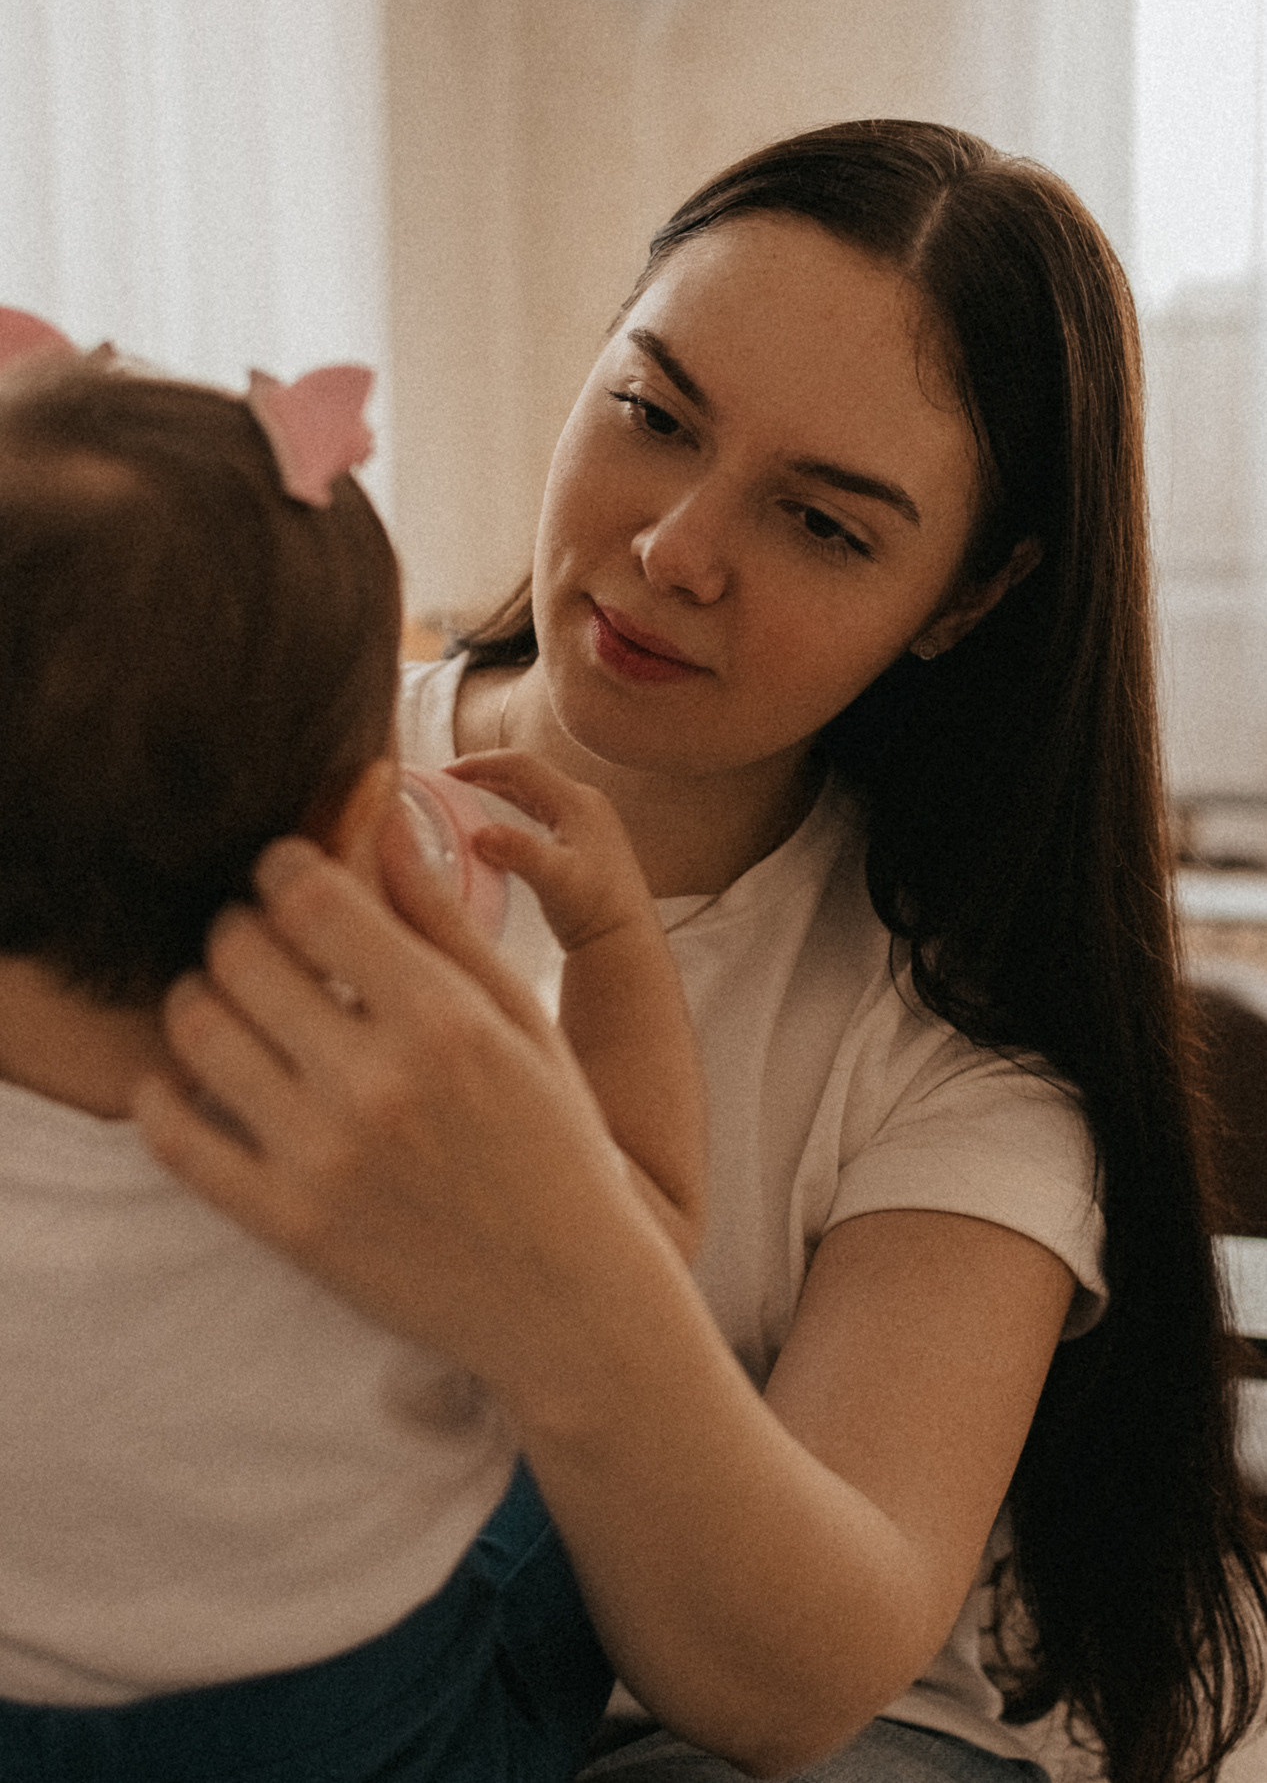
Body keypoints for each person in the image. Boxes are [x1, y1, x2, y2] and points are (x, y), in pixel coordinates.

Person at [137, 120, 1267, 1783]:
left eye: (823, 524)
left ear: (967, 600)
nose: (677, 548)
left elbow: (783, 1689)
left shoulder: (962, 1048)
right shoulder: (240, 769)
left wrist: (564, 1269)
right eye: (654, 415)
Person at [0, 316, 707, 1780]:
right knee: (590, 1477)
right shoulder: (394, 1139)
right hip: (360, 1734)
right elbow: (650, 1217)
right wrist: (613, 940)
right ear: (351, 829)